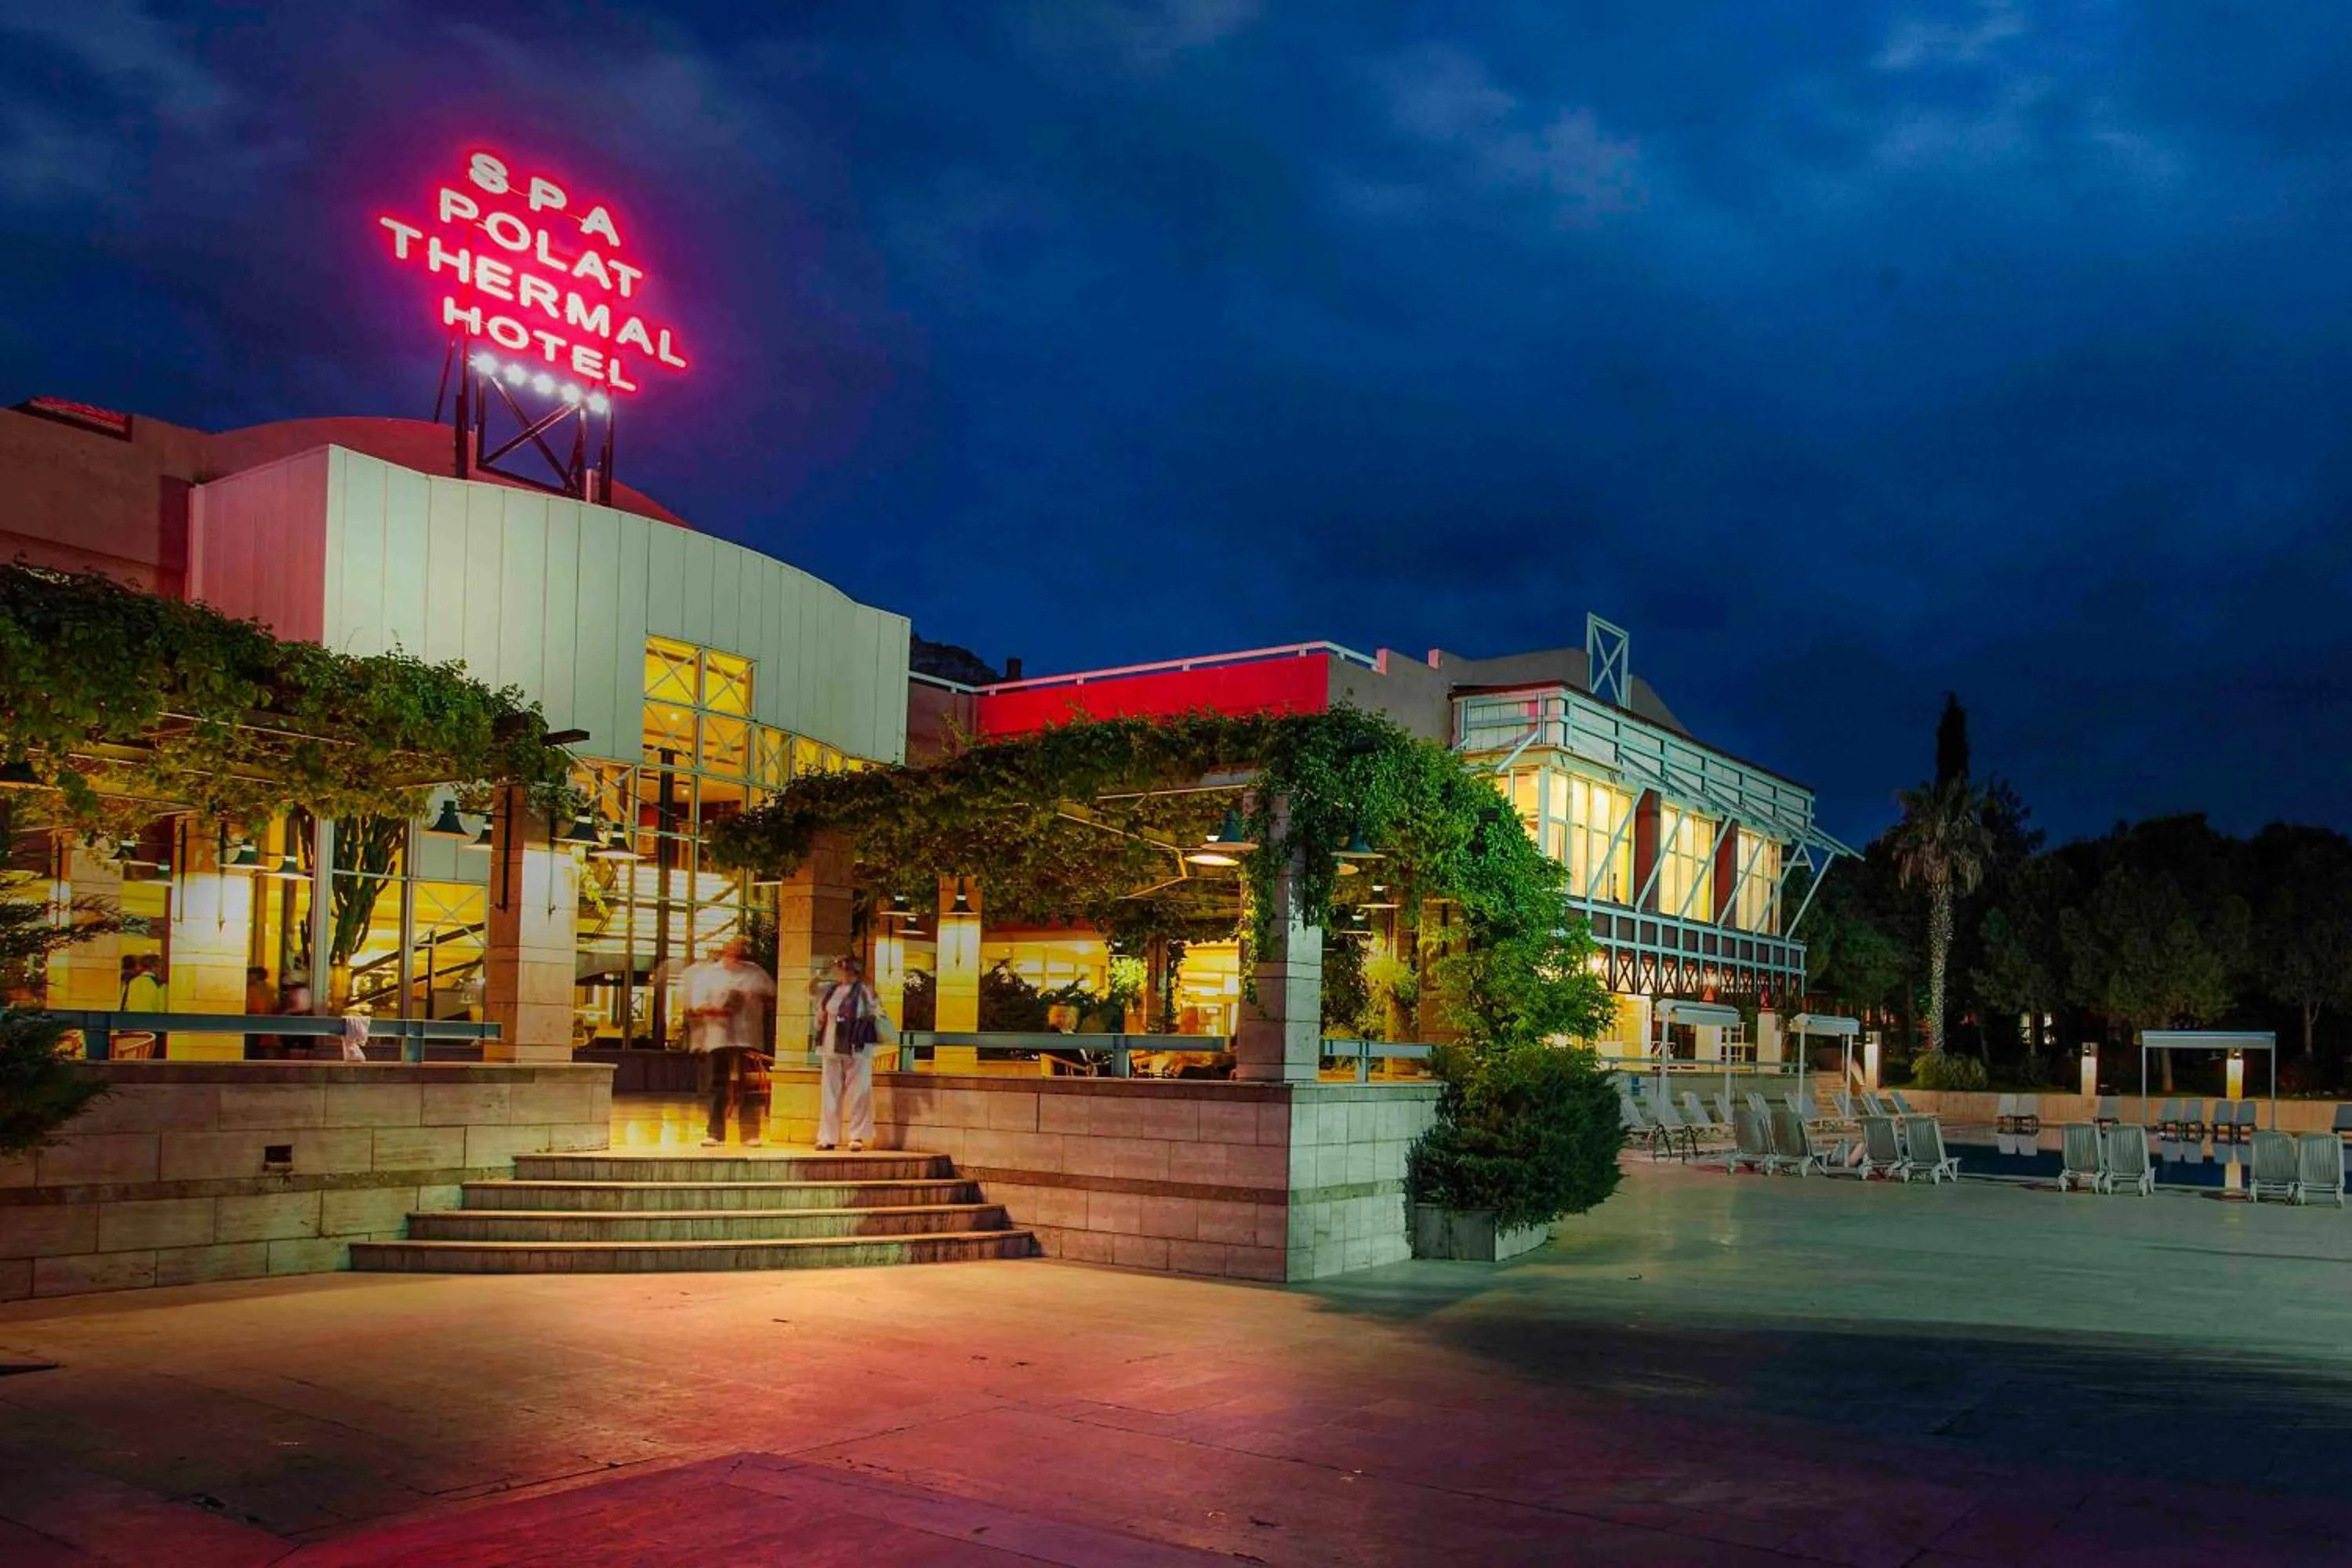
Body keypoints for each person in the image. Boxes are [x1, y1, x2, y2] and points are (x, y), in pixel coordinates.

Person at [680, 937, 777, 1148]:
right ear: (725, 950)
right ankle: (715, 1133)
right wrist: (719, 1010)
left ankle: (750, 1133)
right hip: (719, 1036)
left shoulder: (755, 973)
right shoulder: (708, 975)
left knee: (749, 1085)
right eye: (733, 949)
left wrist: (755, 999)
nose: (736, 953)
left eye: (740, 949)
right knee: (718, 1084)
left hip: (748, 1036)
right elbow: (696, 1006)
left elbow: (774, 996)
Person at [815, 956, 890, 1152]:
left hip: (857, 1046)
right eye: (839, 968)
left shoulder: (865, 990)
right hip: (831, 1045)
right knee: (829, 1092)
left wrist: (869, 1017)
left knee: (859, 1091)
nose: (841, 972)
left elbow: (878, 1012)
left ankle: (856, 1136)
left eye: (844, 968)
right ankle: (827, 1136)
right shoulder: (831, 990)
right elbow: (817, 1006)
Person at [244, 966, 281, 1060]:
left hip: (251, 1023)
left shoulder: (250, 989)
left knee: (251, 1049)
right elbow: (275, 1005)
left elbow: (254, 1008)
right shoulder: (271, 989)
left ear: (255, 976)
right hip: (267, 1024)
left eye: (249, 974)